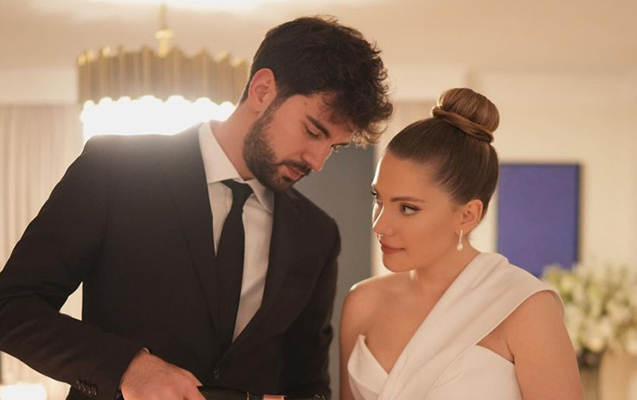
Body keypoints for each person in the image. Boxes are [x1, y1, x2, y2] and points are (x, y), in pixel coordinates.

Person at [0, 16, 392, 400]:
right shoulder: (114, 169)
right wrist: (127, 367)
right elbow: (11, 306)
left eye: (334, 147)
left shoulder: (317, 235)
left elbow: (308, 383)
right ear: (262, 90)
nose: (318, 161)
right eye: (312, 131)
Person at [340, 88, 582, 400]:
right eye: (378, 199)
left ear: (468, 215)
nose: (379, 225)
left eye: (407, 208)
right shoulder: (362, 303)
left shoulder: (525, 307)